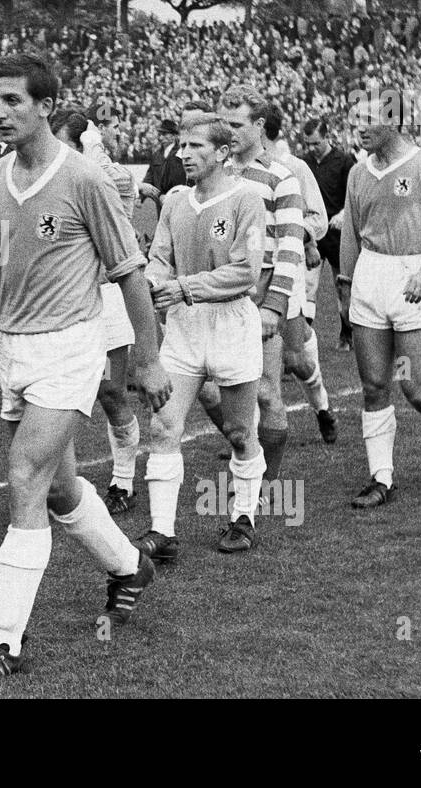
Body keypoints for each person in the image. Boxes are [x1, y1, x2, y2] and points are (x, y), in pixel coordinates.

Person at [0, 53, 171, 684]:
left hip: (70, 346)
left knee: (23, 475)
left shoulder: (85, 178)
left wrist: (146, 359)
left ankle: (3, 643)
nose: (0, 112)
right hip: (13, 347)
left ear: (45, 106)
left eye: (13, 100)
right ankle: (128, 567)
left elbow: (131, 274)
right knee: (60, 488)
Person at [138, 110, 267, 561]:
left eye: (195, 146)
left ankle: (244, 515)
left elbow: (246, 272)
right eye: (182, 145)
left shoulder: (248, 198)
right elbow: (160, 257)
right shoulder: (174, 201)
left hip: (231, 323)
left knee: (236, 430)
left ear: (223, 152)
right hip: (184, 327)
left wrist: (185, 287)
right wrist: (154, 280)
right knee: (164, 425)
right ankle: (162, 533)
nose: (184, 153)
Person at [338, 94, 421, 508]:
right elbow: (351, 233)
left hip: (412, 278)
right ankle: (381, 478)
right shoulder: (358, 172)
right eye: (356, 119)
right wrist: (345, 287)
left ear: (395, 122)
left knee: (415, 387)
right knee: (374, 385)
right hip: (370, 280)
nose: (360, 127)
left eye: (368, 119)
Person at [209, 84, 305, 517]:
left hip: (263, 297)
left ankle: (266, 487)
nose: (226, 131)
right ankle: (251, 465)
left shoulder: (281, 176)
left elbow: (291, 246)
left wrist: (274, 307)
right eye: (223, 123)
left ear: (259, 126)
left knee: (266, 392)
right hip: (219, 296)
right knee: (216, 392)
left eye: (235, 124)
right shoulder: (218, 172)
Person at [49, 110, 143, 516]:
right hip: (59, 304)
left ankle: (123, 479)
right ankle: (52, 481)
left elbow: (115, 186)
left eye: (64, 143)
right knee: (50, 397)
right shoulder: (48, 177)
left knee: (110, 394)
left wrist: (93, 149)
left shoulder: (113, 177)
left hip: (106, 300)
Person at [262, 105, 337, 446]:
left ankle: (321, 405)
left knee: (295, 360)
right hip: (243, 278)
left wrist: (301, 237)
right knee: (248, 365)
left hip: (283, 271)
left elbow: (318, 219)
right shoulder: (230, 170)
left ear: (259, 127)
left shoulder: (293, 168)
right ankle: (249, 437)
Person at [302, 117, 357, 349]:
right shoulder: (303, 163)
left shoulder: (344, 161)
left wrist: (343, 213)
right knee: (306, 287)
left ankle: (347, 334)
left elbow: (354, 195)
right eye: (308, 144)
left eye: (316, 143)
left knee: (342, 287)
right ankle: (304, 340)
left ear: (327, 137)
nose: (312, 148)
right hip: (312, 235)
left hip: (337, 235)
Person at [139, 114, 189, 210]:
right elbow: (149, 177)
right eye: (160, 134)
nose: (161, 137)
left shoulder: (181, 153)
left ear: (174, 136)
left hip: (178, 201)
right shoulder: (157, 155)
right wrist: (141, 197)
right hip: (160, 203)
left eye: (165, 134)